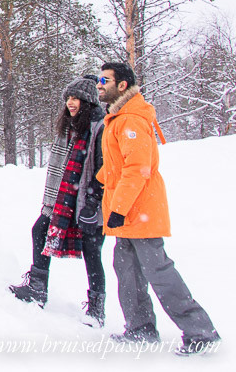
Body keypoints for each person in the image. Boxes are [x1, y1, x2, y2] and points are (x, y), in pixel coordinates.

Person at [96, 61, 221, 356]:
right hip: (127, 212)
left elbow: (137, 169)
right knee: (127, 271)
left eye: (105, 79)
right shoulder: (119, 118)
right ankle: (140, 329)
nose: (99, 84)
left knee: (158, 271)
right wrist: (99, 187)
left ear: (122, 85)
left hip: (139, 211)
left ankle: (200, 332)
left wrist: (119, 208)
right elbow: (115, 169)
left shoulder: (131, 121)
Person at [9, 75, 107, 327]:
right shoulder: (69, 127)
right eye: (68, 98)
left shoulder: (99, 127)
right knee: (40, 229)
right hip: (63, 200)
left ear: (87, 101)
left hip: (88, 201)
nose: (70, 103)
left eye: (75, 98)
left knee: (92, 252)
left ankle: (96, 310)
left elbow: (103, 169)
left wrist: (92, 203)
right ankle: (38, 289)